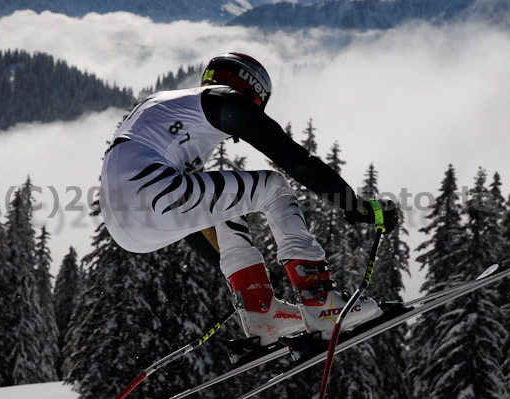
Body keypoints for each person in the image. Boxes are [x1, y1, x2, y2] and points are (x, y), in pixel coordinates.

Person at [100, 52, 399, 349]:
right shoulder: (223, 100)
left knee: (224, 203)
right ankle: (320, 301)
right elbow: (294, 160)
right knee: (274, 185)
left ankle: (261, 311)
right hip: (149, 189)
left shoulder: (172, 107)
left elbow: (193, 221)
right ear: (250, 90)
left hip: (124, 224)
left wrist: (245, 278)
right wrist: (354, 205)